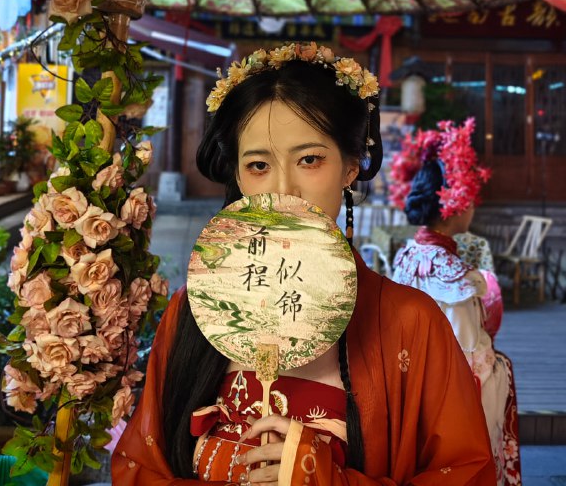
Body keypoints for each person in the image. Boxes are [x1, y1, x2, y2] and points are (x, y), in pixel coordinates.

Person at [113, 44, 496, 485]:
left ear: (350, 166)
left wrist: (327, 477)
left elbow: (468, 473)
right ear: (238, 176)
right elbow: (138, 469)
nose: (283, 190)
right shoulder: (191, 312)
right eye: (258, 165)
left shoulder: (412, 322)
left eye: (310, 160)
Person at [391, 119, 521, 486]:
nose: (474, 206)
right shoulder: (455, 277)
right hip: (449, 402)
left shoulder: (408, 254)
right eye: (472, 198)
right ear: (456, 205)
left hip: (408, 391)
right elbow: (469, 362)